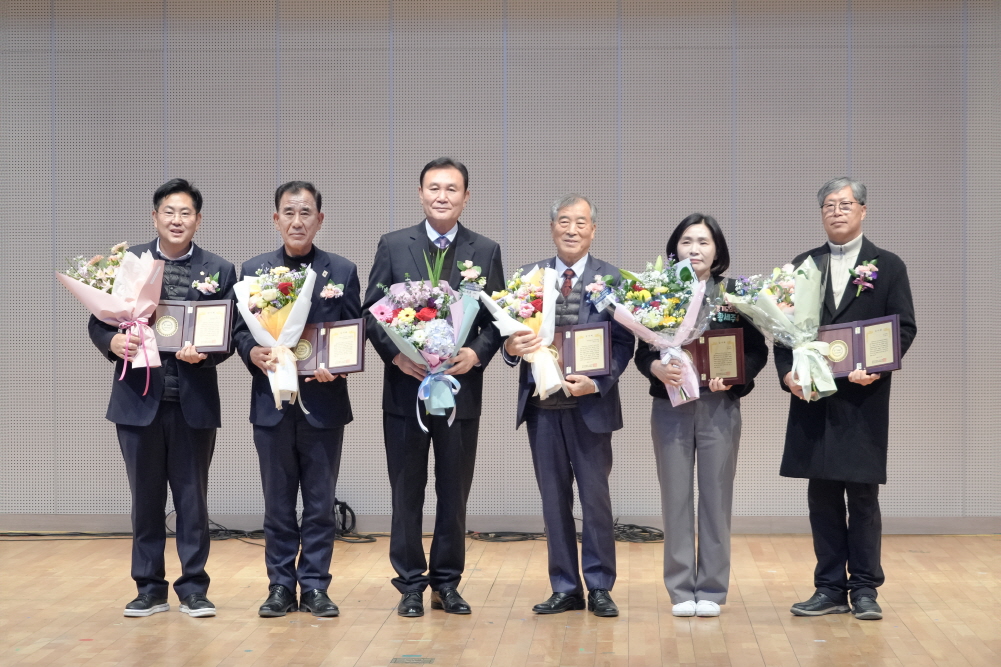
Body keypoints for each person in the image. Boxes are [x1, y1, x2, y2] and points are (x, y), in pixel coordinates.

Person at [362, 157, 505, 617]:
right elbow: (371, 313)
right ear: (421, 193)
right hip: (406, 391)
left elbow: (497, 318)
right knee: (406, 491)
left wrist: (476, 353)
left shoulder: (485, 250)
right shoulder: (393, 245)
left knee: (453, 492)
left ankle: (447, 583)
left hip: (460, 392)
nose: (442, 196)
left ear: (466, 196)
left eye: (451, 189)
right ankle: (409, 584)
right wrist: (397, 355)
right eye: (434, 188)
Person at [88, 179, 237, 618]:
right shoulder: (130, 263)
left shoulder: (219, 269)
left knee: (193, 500)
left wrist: (206, 353)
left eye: (186, 213)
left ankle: (193, 588)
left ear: (198, 220)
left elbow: (230, 334)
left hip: (192, 402)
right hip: (138, 401)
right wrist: (112, 342)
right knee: (146, 499)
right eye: (169, 212)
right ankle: (149, 587)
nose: (177, 220)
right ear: (154, 217)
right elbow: (99, 320)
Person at [777, 177, 916, 621]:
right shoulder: (803, 265)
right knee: (821, 498)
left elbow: (904, 327)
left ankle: (866, 589)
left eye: (845, 204)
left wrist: (876, 367)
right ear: (821, 214)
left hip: (862, 399)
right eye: (829, 206)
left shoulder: (888, 265)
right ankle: (829, 587)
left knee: (862, 498)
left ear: (863, 210)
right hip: (815, 399)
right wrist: (787, 374)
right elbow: (781, 331)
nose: (837, 211)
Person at [503, 194, 634, 618]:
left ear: (593, 229)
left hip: (589, 408)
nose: (572, 229)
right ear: (552, 228)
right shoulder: (528, 277)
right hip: (542, 407)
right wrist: (510, 347)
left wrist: (597, 383)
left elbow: (624, 343)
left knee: (595, 500)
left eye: (580, 222)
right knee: (553, 501)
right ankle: (565, 587)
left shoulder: (612, 278)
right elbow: (509, 337)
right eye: (564, 221)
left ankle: (599, 586)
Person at [233, 181, 361, 618]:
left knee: (321, 505)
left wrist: (338, 365)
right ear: (276, 219)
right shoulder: (254, 270)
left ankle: (316, 586)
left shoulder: (341, 271)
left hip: (323, 404)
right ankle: (280, 587)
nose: (297, 221)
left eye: (306, 213)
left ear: (319, 220)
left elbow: (353, 331)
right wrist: (252, 352)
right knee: (278, 504)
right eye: (289, 212)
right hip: (271, 405)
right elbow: (239, 332)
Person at [634, 214, 769, 617]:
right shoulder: (658, 294)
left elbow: (757, 350)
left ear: (717, 251)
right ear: (674, 248)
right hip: (670, 405)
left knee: (716, 497)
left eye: (704, 242)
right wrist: (655, 368)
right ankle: (680, 590)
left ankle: (711, 588)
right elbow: (642, 351)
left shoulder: (734, 295)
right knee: (675, 498)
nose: (695, 249)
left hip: (718, 408)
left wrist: (736, 377)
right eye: (687, 241)